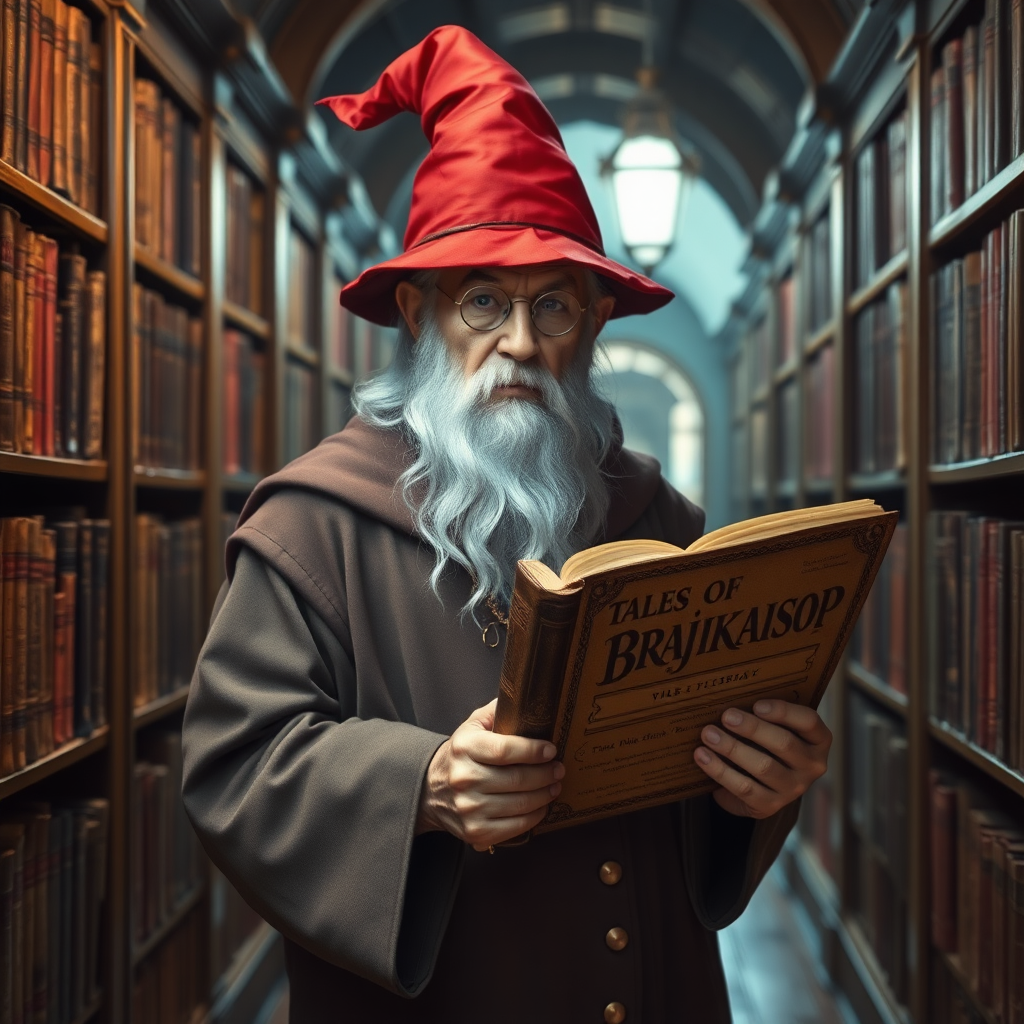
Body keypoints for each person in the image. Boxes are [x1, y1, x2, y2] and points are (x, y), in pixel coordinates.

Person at [181, 25, 831, 1024]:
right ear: (418, 315)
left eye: (554, 308)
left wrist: (756, 788)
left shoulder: (655, 516)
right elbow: (234, 766)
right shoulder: (312, 524)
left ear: (593, 326)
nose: (521, 343)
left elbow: (693, 773)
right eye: (484, 302)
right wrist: (425, 784)